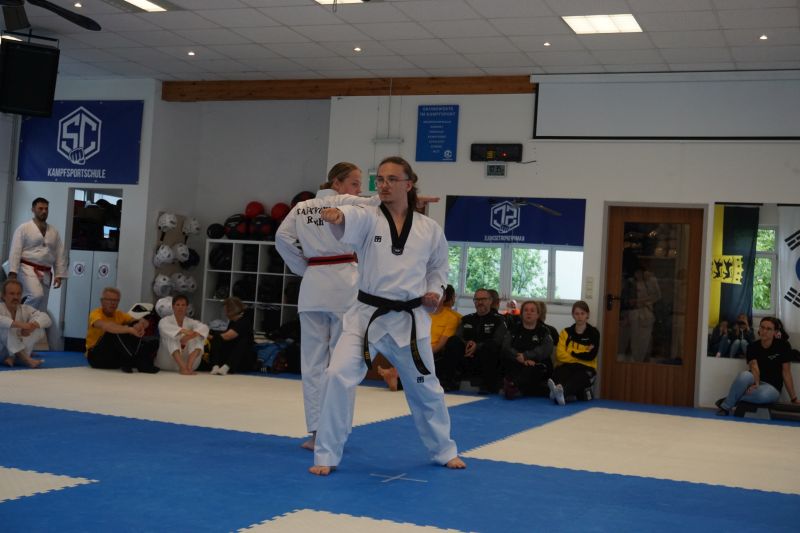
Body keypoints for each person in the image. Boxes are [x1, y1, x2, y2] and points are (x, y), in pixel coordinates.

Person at [311, 155, 464, 475]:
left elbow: (439, 267)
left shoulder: (429, 229)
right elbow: (351, 215)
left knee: (426, 387)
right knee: (336, 375)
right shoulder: (368, 216)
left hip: (409, 320)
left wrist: (434, 291)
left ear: (409, 184)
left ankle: (444, 450)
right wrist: (338, 216)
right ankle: (326, 454)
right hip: (366, 317)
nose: (383, 184)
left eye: (392, 179)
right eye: (380, 179)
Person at [379, 284, 462, 392]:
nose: (435, 298)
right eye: (432, 294)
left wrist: (422, 353)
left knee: (421, 373)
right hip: (416, 350)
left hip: (433, 354)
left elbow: (440, 345)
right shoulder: (421, 313)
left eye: (438, 294)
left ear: (444, 297)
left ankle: (397, 378)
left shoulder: (451, 317)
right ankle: (396, 377)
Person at [715, 316, 799, 415]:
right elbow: (754, 367)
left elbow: (786, 373)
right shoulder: (752, 346)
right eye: (762, 327)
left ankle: (730, 399)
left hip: (772, 387)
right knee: (744, 375)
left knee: (763, 395)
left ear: (775, 332)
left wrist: (794, 398)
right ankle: (725, 407)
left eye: (768, 329)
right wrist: (757, 383)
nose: (764, 331)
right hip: (754, 381)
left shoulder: (783, 346)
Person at [438, 288, 509, 393]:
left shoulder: (499, 320)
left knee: (491, 346)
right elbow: (458, 336)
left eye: (483, 299)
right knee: (453, 341)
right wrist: (468, 343)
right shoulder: (466, 319)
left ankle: (488, 385)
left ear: (490, 301)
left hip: (486, 358)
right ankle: (448, 382)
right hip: (467, 356)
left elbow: (498, 340)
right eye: (477, 300)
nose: (480, 302)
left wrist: (477, 346)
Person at [7, 197, 67, 312]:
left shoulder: (53, 231)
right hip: (27, 268)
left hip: (46, 272)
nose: (44, 211)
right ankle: (21, 315)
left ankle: (34, 322)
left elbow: (60, 253)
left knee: (42, 305)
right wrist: (13, 272)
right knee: (36, 295)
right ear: (33, 209)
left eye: (46, 209)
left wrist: (59, 274)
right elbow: (15, 250)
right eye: (40, 208)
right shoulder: (24, 228)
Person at [85, 287, 159, 373]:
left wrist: (140, 325)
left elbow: (140, 321)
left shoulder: (119, 314)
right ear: (102, 301)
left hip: (114, 358)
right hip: (96, 358)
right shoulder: (95, 314)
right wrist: (130, 330)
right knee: (113, 330)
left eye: (116, 300)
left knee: (152, 340)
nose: (113, 303)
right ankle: (135, 360)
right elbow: (107, 326)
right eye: (109, 300)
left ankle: (131, 361)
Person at [547, 300, 600, 406]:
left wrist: (571, 352)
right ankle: (559, 392)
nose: (579, 317)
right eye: (577, 314)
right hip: (569, 365)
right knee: (559, 372)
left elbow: (590, 356)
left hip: (586, 368)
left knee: (578, 377)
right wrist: (581, 353)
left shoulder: (594, 333)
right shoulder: (566, 332)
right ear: (573, 315)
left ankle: (561, 394)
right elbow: (560, 355)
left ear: (587, 315)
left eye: (582, 313)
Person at [501, 300, 554, 399]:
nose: (529, 313)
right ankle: (518, 388)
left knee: (535, 369)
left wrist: (527, 356)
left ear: (538, 314)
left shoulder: (544, 331)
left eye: (532, 311)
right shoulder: (514, 329)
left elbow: (547, 348)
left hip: (536, 364)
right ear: (521, 314)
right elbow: (506, 347)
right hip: (516, 361)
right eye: (526, 310)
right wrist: (519, 357)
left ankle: (513, 386)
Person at [0, 279, 50, 368]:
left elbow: (46, 318)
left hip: (16, 352)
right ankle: (27, 360)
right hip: (1, 350)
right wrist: (20, 324)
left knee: (39, 329)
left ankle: (14, 358)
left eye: (18, 294)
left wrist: (33, 326)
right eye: (12, 294)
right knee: (6, 328)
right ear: (3, 296)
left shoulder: (25, 309)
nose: (15, 297)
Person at [156, 294, 209, 375]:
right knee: (172, 337)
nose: (180, 307)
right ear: (173, 307)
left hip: (187, 361)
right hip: (167, 362)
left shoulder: (190, 321)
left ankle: (189, 366)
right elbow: (163, 326)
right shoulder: (165, 321)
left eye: (183, 305)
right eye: (177, 305)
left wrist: (190, 336)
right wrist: (183, 331)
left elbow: (205, 327)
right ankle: (183, 368)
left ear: (186, 307)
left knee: (198, 337)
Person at [208, 297, 256, 375]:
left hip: (243, 358)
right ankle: (215, 366)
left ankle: (227, 366)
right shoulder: (233, 321)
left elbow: (227, 336)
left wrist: (208, 335)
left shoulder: (244, 321)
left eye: (226, 310)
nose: (225, 313)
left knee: (243, 341)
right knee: (217, 338)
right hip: (231, 355)